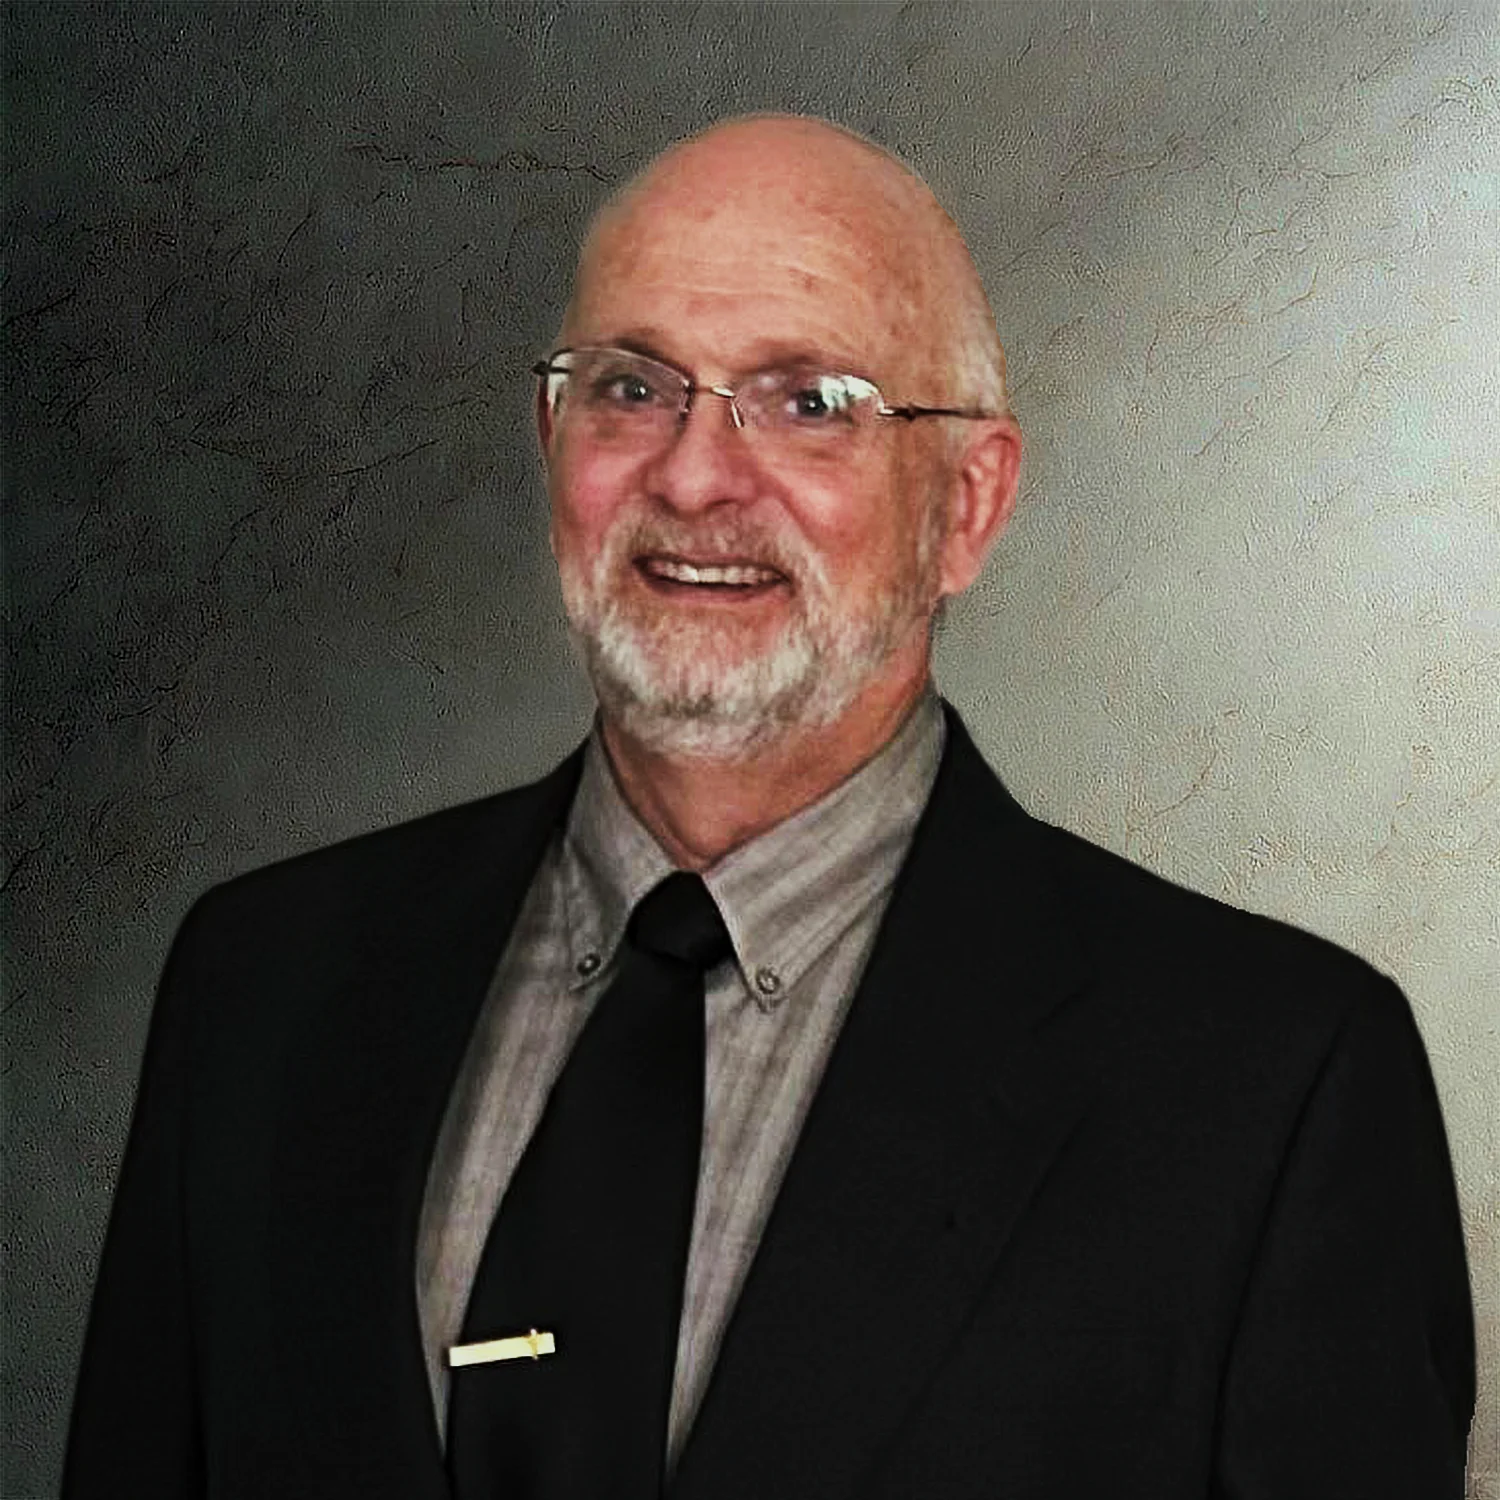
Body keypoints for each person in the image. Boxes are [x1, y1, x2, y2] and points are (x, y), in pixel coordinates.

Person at [64, 114, 1473, 1499]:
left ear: (967, 505)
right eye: (630, 387)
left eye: (810, 402)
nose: (691, 473)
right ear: (551, 436)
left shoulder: (1276, 1084)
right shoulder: (262, 985)